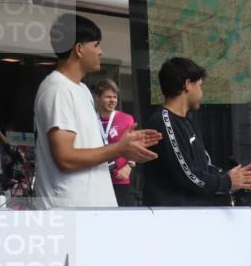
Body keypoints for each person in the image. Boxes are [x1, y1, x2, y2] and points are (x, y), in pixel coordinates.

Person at [35, 13, 161, 208]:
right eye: (96, 45)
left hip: (90, 208)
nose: (101, 51)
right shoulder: (57, 89)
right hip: (70, 212)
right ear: (79, 49)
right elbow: (65, 158)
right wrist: (120, 148)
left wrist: (123, 146)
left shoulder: (82, 89)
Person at [142, 58, 251, 206]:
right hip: (173, 219)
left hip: (194, 214)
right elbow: (188, 176)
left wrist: (230, 177)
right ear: (188, 85)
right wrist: (227, 181)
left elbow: (203, 166)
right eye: (200, 86)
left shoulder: (186, 121)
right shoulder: (165, 122)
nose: (202, 93)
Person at [92, 78, 138, 206]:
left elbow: (133, 147)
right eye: (108, 97)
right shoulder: (89, 119)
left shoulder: (126, 119)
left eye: (115, 97)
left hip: (120, 179)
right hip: (96, 179)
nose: (112, 100)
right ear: (97, 97)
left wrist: (129, 166)